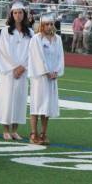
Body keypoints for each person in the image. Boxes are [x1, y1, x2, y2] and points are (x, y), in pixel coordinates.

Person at [0, 1, 33, 140]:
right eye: (15, 13)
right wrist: (14, 67)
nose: (18, 15)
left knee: (19, 100)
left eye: (20, 12)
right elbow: (3, 52)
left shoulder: (30, 32)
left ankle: (15, 130)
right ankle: (6, 129)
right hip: (8, 72)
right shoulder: (6, 31)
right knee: (7, 99)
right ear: (11, 14)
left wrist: (23, 67)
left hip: (23, 72)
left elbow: (31, 53)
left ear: (24, 14)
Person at [28, 13, 65, 145]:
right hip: (39, 78)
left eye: (51, 24)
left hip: (52, 78)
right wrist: (46, 71)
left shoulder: (58, 39)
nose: (49, 27)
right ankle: (33, 133)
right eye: (47, 24)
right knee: (37, 105)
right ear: (42, 25)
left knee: (47, 107)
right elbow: (37, 57)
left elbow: (60, 57)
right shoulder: (36, 39)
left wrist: (56, 71)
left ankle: (43, 133)